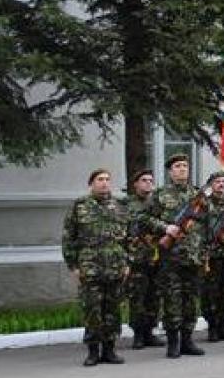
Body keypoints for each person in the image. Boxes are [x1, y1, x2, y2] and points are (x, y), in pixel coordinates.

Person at [141, 154, 208, 358]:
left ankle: (187, 340)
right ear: (170, 171)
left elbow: (206, 224)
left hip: (193, 256)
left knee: (190, 300)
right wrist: (165, 227)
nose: (182, 169)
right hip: (171, 257)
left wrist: (204, 252)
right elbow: (143, 218)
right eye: (177, 166)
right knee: (172, 300)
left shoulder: (198, 195)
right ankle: (173, 342)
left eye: (185, 166)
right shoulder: (160, 194)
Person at [62, 168, 131, 366]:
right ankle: (93, 351)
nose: (104, 183)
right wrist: (73, 265)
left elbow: (128, 238)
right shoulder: (80, 206)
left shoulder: (119, 206)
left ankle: (110, 350)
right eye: (100, 179)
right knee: (92, 310)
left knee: (112, 310)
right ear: (91, 183)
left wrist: (127, 263)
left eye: (108, 179)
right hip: (90, 267)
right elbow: (69, 237)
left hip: (115, 267)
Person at [123, 169, 163, 349]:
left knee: (153, 296)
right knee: (137, 297)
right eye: (144, 180)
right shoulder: (127, 204)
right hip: (137, 258)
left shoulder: (158, 203)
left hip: (155, 256)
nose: (148, 183)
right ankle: (138, 334)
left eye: (150, 180)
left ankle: (150, 331)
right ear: (135, 184)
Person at [200, 171, 224, 343]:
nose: (221, 184)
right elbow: (199, 228)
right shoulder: (204, 205)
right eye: (217, 182)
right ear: (211, 184)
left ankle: (223, 324)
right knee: (211, 292)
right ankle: (212, 326)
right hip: (211, 256)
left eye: (223, 181)